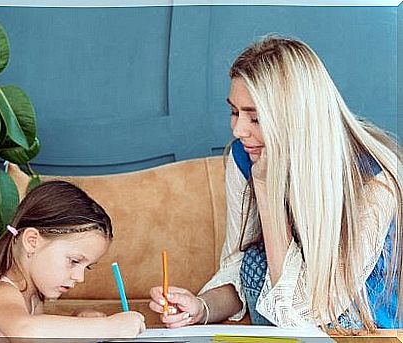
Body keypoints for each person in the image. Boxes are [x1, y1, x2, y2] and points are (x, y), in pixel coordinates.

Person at [149, 35, 402, 333]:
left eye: (255, 118)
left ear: (298, 120)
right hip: (278, 324)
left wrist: (268, 194)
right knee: (255, 259)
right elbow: (239, 266)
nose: (239, 129)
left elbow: (305, 317)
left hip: (356, 329)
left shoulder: (376, 179)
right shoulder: (243, 158)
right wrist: (201, 308)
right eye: (234, 112)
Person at [0, 180, 146, 341]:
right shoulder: (0, 290)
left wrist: (79, 319)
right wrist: (108, 328)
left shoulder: (32, 294)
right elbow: (24, 331)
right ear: (32, 241)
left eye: (87, 267)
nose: (80, 277)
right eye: (74, 261)